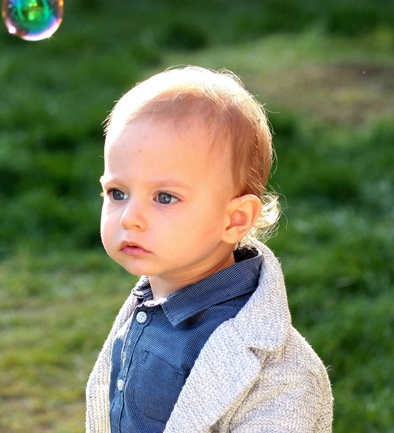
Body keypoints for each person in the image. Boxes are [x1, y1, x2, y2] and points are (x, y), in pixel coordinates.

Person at [85, 66, 333, 433]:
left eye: (164, 197)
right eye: (117, 193)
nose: (130, 218)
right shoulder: (151, 301)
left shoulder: (280, 377)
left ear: (234, 220)